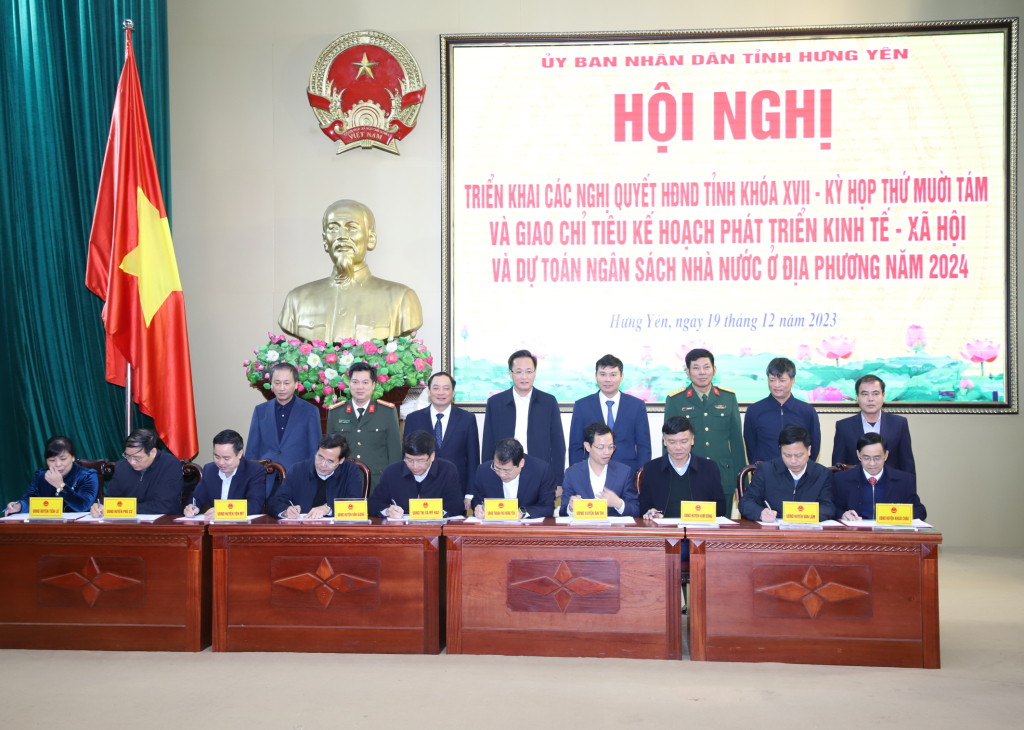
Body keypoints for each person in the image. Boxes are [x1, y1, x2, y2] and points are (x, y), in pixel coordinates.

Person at [277, 199, 423, 342]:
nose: (342, 236)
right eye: (333, 228)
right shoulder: (297, 300)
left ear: (371, 238)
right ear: (325, 241)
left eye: (352, 227)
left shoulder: (401, 299)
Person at [480, 349, 566, 507]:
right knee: (502, 516)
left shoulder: (548, 402)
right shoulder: (496, 403)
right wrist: (487, 475)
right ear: (510, 373)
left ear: (535, 373)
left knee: (537, 515)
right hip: (504, 471)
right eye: (519, 371)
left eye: (529, 371)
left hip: (539, 473)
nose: (524, 377)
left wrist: (558, 481)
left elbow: (558, 444)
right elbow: (488, 442)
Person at [663, 348, 744, 513]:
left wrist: (741, 483)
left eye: (706, 367)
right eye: (696, 367)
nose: (702, 372)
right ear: (687, 372)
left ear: (714, 370)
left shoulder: (728, 398)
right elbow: (668, 443)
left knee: (723, 525)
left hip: (723, 476)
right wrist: (667, 479)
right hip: (687, 476)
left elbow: (737, 443)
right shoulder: (676, 400)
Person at [247, 362, 322, 497]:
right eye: (277, 383)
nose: (282, 388)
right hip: (266, 479)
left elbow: (314, 452)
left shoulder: (310, 411)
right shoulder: (260, 410)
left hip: (297, 480)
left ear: (296, 384)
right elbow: (252, 449)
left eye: (287, 383)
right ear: (271, 384)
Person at [405, 372, 479, 507]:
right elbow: (406, 457)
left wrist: (470, 494)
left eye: (446, 388)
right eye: (436, 388)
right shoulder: (413, 419)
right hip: (421, 489)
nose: (441, 392)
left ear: (453, 392)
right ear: (429, 392)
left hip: (456, 489)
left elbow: (473, 460)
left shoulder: (467, 419)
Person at [568, 354, 651, 474]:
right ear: (596, 376)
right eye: (602, 374)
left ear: (621, 376)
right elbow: (575, 446)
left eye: (613, 374)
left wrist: (641, 476)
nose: (607, 379)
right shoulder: (582, 405)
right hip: (592, 473)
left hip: (627, 473)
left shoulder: (637, 406)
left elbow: (644, 446)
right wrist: (577, 475)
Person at [326, 361, 400, 491]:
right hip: (344, 482)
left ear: (373, 385)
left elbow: (395, 453)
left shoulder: (387, 412)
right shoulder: (336, 412)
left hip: (377, 483)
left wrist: (393, 484)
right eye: (355, 382)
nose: (360, 387)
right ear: (349, 384)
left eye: (365, 382)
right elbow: (329, 452)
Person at [738, 425, 835, 522]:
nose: (793, 461)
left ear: (809, 450)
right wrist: (760, 513)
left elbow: (828, 507)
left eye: (798, 455)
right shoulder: (766, 470)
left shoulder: (822, 474)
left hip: (808, 528)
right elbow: (746, 502)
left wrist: (802, 515)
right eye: (787, 455)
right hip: (774, 528)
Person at [639, 417, 727, 519]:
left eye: (684, 441)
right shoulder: (651, 468)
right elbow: (644, 505)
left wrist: (699, 513)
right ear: (665, 441)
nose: (678, 447)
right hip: (664, 527)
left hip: (698, 526)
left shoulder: (709, 468)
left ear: (692, 440)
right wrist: (650, 512)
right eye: (672, 442)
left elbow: (721, 508)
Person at [369, 430, 463, 519]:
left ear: (432, 456)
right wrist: (387, 511)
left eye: (420, 461)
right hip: (402, 528)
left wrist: (436, 513)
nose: (415, 466)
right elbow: (372, 503)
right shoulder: (392, 472)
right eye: (409, 460)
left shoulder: (447, 470)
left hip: (436, 527)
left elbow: (457, 504)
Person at [743, 357, 821, 464]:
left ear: (793, 381)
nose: (777, 385)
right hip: (765, 472)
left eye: (782, 380)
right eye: (772, 380)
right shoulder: (754, 411)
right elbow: (751, 448)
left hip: (798, 471)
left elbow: (814, 447)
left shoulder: (807, 411)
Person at [267, 434, 365, 519]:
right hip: (302, 530)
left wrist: (329, 509)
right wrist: (285, 511)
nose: (323, 465)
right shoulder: (298, 469)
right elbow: (275, 502)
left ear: (341, 460)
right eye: (320, 457)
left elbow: (356, 505)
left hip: (336, 531)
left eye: (330, 461)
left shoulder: (350, 470)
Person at [833, 375, 916, 473]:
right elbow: (838, 469)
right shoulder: (844, 426)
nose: (870, 399)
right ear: (857, 397)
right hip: (855, 482)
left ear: (883, 396)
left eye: (875, 394)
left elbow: (907, 465)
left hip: (891, 482)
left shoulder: (899, 424)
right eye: (865, 394)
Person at [834, 433, 926, 521]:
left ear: (886, 455)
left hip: (890, 530)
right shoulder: (841, 479)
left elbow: (920, 510)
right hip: (857, 531)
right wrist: (842, 514)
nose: (872, 463)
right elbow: (832, 508)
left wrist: (897, 515)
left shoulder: (904, 480)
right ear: (858, 455)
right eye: (866, 458)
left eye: (877, 458)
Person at [91, 429, 183, 516]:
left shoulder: (170, 465)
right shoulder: (122, 466)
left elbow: (162, 506)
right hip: (126, 522)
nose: (131, 462)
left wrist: (120, 508)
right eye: (127, 456)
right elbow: (110, 498)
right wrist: (99, 506)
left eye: (137, 458)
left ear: (153, 452)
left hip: (163, 522)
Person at [560, 422, 639, 517]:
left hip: (613, 526)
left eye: (611, 447)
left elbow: (636, 511)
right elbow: (562, 512)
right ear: (587, 446)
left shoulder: (624, 472)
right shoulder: (572, 473)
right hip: (583, 526)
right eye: (601, 447)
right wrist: (571, 508)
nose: (607, 452)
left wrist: (618, 503)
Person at [4, 436, 98, 516]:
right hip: (47, 525)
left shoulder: (87, 476)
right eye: (52, 460)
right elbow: (29, 500)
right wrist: (20, 506)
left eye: (63, 459)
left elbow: (83, 505)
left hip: (78, 527)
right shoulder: (41, 476)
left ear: (73, 457)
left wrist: (61, 486)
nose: (58, 464)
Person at [184, 430, 266, 517]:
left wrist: (223, 512)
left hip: (241, 525)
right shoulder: (209, 470)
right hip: (214, 525)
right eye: (217, 457)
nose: (221, 462)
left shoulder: (254, 471)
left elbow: (254, 505)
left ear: (239, 454)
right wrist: (192, 507)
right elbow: (197, 498)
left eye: (226, 458)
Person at [471, 438, 556, 518]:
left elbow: (547, 507)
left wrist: (522, 512)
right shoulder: (483, 470)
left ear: (521, 463)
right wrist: (478, 508)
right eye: (497, 468)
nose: (502, 475)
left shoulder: (541, 470)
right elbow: (477, 499)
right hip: (494, 525)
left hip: (527, 526)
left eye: (507, 471)